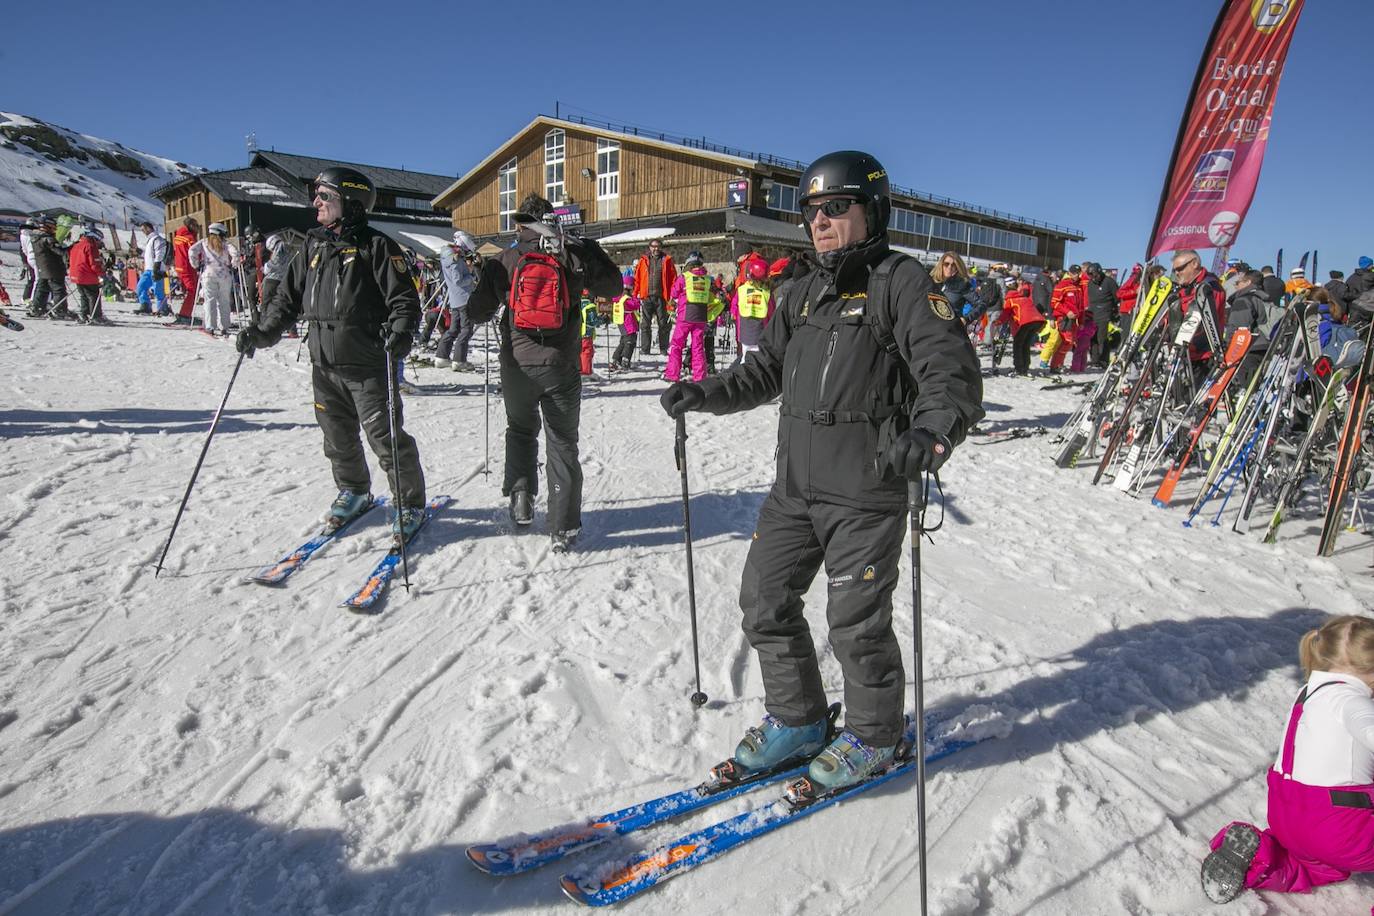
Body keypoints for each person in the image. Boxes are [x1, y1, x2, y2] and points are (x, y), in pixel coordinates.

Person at [659, 150, 983, 791]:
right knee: (764, 601)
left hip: (865, 491)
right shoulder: (798, 293)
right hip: (794, 490)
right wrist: (706, 392)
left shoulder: (903, 283)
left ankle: (875, 734)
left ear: (872, 211)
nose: (822, 222)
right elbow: (764, 372)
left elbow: (949, 373)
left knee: (854, 623)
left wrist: (931, 433)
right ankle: (800, 721)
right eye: (812, 211)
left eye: (837, 208)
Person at [236, 167, 428, 542]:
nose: (316, 202)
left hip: (367, 364)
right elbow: (286, 300)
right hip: (324, 364)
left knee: (385, 437)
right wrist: (261, 333)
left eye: (325, 196)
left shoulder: (378, 247)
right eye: (316, 194)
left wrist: (401, 331)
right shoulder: (312, 246)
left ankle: (409, 503)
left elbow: (405, 301)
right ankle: (354, 490)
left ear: (350, 202)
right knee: (337, 437)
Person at [466, 193, 621, 552]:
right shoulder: (573, 252)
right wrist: (587, 249)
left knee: (521, 430)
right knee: (562, 441)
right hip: (561, 365)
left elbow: (475, 311)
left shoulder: (505, 259)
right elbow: (613, 287)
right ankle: (563, 526)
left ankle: (521, 500)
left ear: (519, 224)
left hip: (517, 364)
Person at [1202, 615, 1374, 904]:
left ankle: (1262, 862)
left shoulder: (1308, 694)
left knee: (1318, 865)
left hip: (1288, 818)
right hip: (1339, 827)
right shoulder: (1351, 701)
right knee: (1337, 849)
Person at [665, 250, 716, 383]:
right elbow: (711, 297)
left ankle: (672, 374)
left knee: (676, 344)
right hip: (701, 317)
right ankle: (700, 375)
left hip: (685, 316)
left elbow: (674, 293)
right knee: (698, 347)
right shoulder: (707, 279)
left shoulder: (684, 277)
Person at [433, 230, 479, 371]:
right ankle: (459, 361)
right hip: (464, 298)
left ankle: (442, 357)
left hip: (455, 299)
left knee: (453, 329)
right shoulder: (454, 259)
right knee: (466, 329)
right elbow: (458, 280)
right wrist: (471, 277)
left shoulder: (447, 258)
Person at [188, 223, 239, 336]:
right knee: (224, 302)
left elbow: (192, 251)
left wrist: (196, 264)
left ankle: (210, 327)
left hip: (208, 275)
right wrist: (234, 265)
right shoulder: (226, 244)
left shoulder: (204, 242)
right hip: (224, 275)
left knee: (209, 301)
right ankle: (224, 327)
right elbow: (236, 253)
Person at [631, 238, 676, 355]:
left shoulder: (666, 260)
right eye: (653, 246)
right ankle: (645, 349)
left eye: (658, 246)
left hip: (662, 297)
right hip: (646, 297)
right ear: (649, 247)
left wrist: (672, 296)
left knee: (663, 324)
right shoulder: (643, 261)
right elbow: (637, 279)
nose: (656, 249)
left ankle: (663, 348)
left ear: (661, 247)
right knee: (645, 324)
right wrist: (635, 295)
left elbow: (673, 279)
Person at [28, 217, 74, 320]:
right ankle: (60, 310)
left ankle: (37, 308)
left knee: (42, 288)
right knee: (59, 290)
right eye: (53, 227)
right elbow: (60, 252)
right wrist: (72, 247)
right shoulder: (48, 238)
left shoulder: (35, 237)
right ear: (47, 226)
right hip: (53, 268)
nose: (54, 230)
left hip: (43, 267)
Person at [730, 257, 774, 359]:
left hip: (745, 331)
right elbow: (771, 312)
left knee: (745, 356)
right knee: (758, 359)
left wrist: (733, 313)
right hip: (761, 332)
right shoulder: (767, 293)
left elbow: (735, 303)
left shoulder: (742, 290)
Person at [1002, 274, 1045, 376]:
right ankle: (1025, 367)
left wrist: (998, 322)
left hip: (1025, 322)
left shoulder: (1010, 300)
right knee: (1025, 344)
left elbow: (1005, 314)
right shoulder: (1024, 298)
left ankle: (1019, 368)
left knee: (1018, 344)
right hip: (1037, 321)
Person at [67, 226, 109, 324]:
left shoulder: (77, 245)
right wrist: (102, 274)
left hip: (76, 275)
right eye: (98, 240)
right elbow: (94, 264)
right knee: (93, 295)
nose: (99, 243)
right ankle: (96, 316)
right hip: (87, 275)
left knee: (84, 295)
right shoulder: (90, 246)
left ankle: (84, 314)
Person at [929, 251, 984, 325]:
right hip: (928, 326)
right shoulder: (930, 281)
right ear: (941, 264)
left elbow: (981, 304)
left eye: (953, 265)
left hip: (949, 329)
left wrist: (966, 319)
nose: (949, 267)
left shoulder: (962, 284)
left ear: (957, 268)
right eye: (946, 264)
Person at [1085, 261, 1120, 368]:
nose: (1094, 278)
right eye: (1091, 276)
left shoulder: (1109, 282)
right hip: (1092, 313)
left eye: (1095, 275)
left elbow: (1117, 296)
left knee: (1102, 338)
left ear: (1099, 272)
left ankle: (1104, 360)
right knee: (1093, 337)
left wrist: (1115, 310)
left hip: (1105, 312)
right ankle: (1095, 360)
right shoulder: (1091, 283)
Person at [134, 220, 170, 316]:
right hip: (148, 269)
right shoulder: (150, 240)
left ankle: (162, 308)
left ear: (148, 228)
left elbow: (160, 253)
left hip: (157, 269)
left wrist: (157, 266)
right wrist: (140, 253)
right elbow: (150, 255)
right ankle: (145, 306)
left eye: (143, 229)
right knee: (140, 287)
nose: (143, 232)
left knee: (158, 291)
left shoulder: (158, 239)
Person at [609, 274, 640, 371]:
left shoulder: (618, 297)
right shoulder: (627, 299)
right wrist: (636, 297)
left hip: (621, 323)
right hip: (629, 324)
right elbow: (636, 305)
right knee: (629, 342)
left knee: (623, 342)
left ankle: (616, 359)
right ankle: (625, 361)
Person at [173, 218, 200, 324]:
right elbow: (195, 252)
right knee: (192, 290)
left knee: (189, 290)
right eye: (196, 225)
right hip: (187, 267)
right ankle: (185, 314)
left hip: (180, 266)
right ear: (192, 225)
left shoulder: (178, 236)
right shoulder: (189, 238)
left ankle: (185, 313)